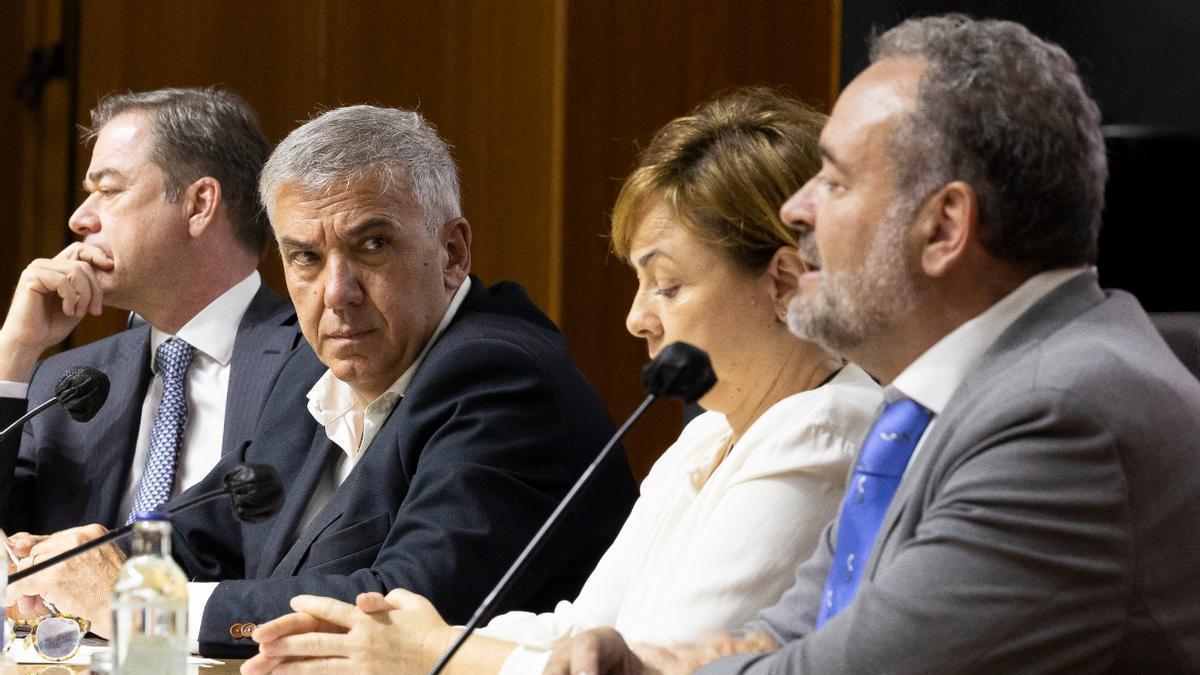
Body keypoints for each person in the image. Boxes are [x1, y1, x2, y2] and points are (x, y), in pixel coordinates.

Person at [542, 14, 1200, 675]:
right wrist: (646, 664)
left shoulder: (1059, 415)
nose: (799, 211)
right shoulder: (935, 398)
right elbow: (796, 627)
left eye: (834, 181)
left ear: (943, 227)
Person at [238, 89, 884, 675]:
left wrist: (431, 650)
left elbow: (645, 663)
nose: (636, 319)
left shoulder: (822, 426)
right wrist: (405, 640)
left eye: (668, 286)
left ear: (785, 281)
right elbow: (579, 628)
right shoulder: (710, 432)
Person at [6, 104, 638, 657]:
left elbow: (399, 610)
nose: (336, 293)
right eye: (306, 257)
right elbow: (207, 533)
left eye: (372, 246)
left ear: (451, 254)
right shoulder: (317, 369)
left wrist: (140, 609)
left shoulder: (500, 378)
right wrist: (74, 566)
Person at [0, 87, 300, 536]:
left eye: (108, 190)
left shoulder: (315, 364)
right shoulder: (59, 385)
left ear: (199, 204)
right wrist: (14, 351)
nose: (80, 219)